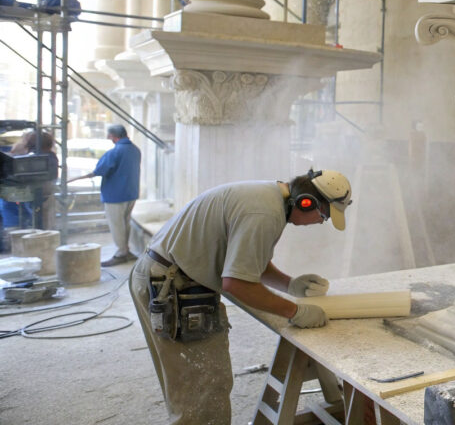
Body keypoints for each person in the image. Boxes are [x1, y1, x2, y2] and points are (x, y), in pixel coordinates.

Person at [129, 168, 352, 425]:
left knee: (196, 386)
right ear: (307, 202)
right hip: (174, 288)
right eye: (323, 216)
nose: (319, 222)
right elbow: (237, 283)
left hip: (168, 276)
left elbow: (248, 263)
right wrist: (295, 311)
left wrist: (290, 285)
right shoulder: (264, 214)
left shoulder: (270, 199)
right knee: (202, 390)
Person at [68, 124, 142, 266]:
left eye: (109, 136)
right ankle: (126, 249)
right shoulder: (135, 150)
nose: (109, 138)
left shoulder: (115, 152)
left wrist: (86, 176)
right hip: (131, 192)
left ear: (114, 136)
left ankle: (121, 253)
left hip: (116, 195)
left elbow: (101, 170)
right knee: (125, 223)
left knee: (117, 225)